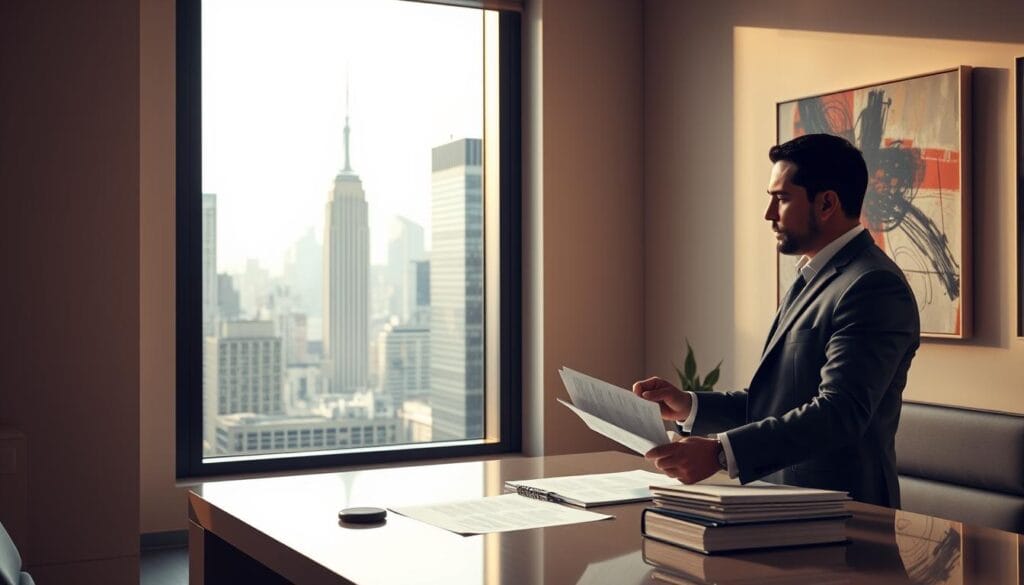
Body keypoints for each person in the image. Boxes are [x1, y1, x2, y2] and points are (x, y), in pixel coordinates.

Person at [634, 133, 920, 507]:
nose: (769, 213)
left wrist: (720, 453)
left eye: (781, 199)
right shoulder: (812, 277)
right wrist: (689, 405)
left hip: (845, 519)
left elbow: (839, 413)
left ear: (827, 203)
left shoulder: (873, 286)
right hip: (783, 510)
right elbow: (779, 401)